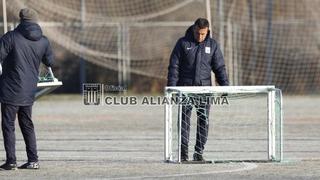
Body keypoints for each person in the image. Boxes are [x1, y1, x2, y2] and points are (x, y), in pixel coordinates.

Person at [167, 18, 229, 162]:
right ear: (194, 29)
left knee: (204, 120)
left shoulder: (212, 45)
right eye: (198, 33)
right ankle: (183, 154)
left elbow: (219, 67)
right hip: (185, 89)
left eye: (203, 34)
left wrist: (225, 85)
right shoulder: (182, 43)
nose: (200, 37)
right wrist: (172, 87)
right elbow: (174, 67)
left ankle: (199, 152)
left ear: (207, 31)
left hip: (204, 90)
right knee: (184, 121)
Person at [0, 8, 54, 170]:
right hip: (29, 89)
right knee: (27, 124)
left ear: (21, 20)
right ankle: (33, 160)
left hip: (10, 88)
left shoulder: (10, 37)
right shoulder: (43, 40)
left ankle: (11, 161)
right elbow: (50, 62)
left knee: (8, 125)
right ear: (35, 21)